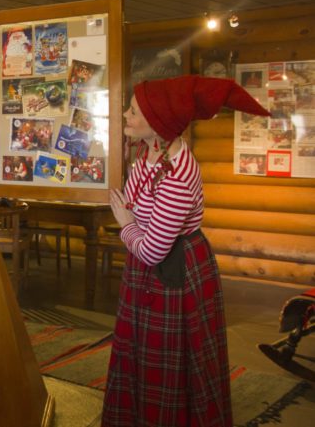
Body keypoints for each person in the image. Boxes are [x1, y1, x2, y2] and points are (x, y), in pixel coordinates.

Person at [103, 75, 270, 426]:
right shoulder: (149, 152)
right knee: (139, 351)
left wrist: (125, 224)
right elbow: (135, 202)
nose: (125, 115)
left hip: (173, 272)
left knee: (172, 358)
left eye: (133, 111)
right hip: (151, 267)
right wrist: (134, 223)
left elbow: (151, 250)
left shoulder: (178, 175)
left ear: (158, 122)